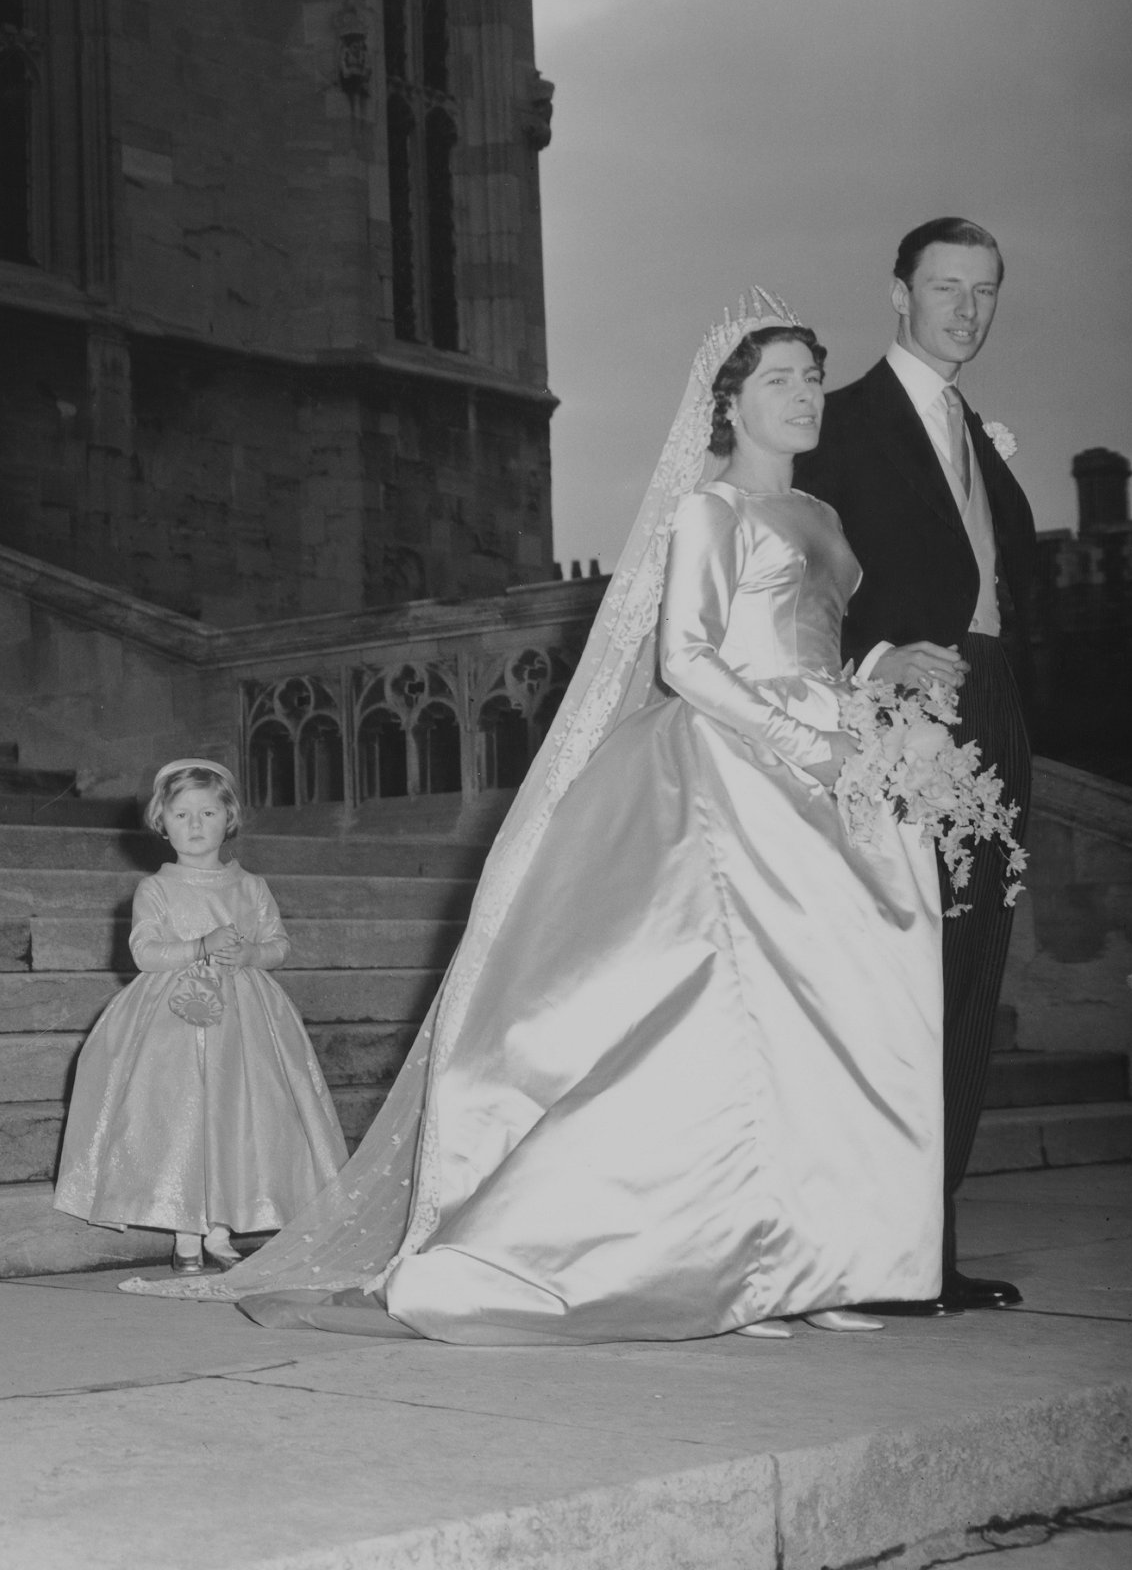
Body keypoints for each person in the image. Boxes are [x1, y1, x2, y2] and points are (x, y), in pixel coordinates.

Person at [123, 298, 946, 1342]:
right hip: (735, 777)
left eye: (812, 377)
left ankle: (820, 1262)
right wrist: (808, 741)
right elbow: (687, 659)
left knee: (828, 1021)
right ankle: (736, 1262)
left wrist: (871, 694)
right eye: (780, 378)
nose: (805, 395)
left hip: (830, 777)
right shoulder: (710, 510)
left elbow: (807, 643)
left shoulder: (824, 518)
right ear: (728, 403)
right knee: (734, 1024)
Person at [795, 219, 1036, 1316]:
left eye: (984, 291)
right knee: (897, 987)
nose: (967, 309)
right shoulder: (839, 424)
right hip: (895, 726)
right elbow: (792, 590)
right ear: (899, 294)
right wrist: (877, 666)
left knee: (972, 980)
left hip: (994, 713)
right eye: (946, 287)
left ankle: (929, 1247)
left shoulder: (979, 435)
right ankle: (873, 1252)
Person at [54, 760, 348, 1271]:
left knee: (236, 1117)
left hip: (245, 1021)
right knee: (181, 1118)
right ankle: (185, 1233)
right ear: (161, 823)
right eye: (182, 813)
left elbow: (279, 944)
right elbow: (145, 953)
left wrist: (253, 954)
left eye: (208, 812)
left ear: (228, 818)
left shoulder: (251, 886)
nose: (194, 825)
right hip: (173, 1019)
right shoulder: (156, 890)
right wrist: (199, 946)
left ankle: (219, 1230)